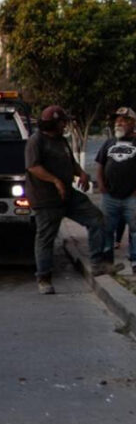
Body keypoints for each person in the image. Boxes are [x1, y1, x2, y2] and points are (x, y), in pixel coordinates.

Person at [26, 105, 110, 295]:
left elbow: (70, 162)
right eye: (63, 122)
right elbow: (33, 167)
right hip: (46, 199)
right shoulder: (36, 141)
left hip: (68, 196)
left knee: (96, 218)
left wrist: (81, 173)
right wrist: (55, 181)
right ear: (55, 123)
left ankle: (97, 263)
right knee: (45, 238)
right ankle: (44, 278)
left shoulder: (61, 140)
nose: (65, 125)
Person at [95, 106, 136, 269]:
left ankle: (134, 261)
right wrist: (101, 185)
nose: (118, 123)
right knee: (106, 229)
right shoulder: (109, 143)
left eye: (123, 120)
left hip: (132, 197)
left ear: (132, 123)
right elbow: (99, 164)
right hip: (109, 196)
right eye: (117, 120)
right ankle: (107, 262)